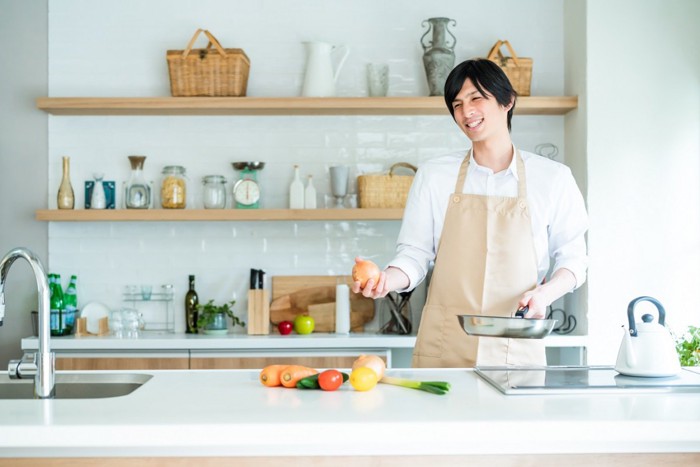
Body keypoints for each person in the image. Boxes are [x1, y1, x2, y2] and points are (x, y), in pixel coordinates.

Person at [352, 59, 588, 368]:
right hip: (446, 340)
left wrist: (545, 294)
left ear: (507, 101)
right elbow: (415, 253)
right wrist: (386, 280)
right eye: (457, 104)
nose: (466, 112)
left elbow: (574, 259)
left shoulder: (553, 178)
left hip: (514, 341)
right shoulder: (435, 175)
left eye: (477, 98)